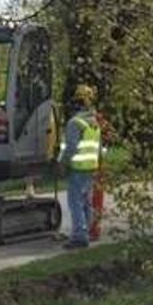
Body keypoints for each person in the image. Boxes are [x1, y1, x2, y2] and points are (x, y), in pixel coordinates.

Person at [58, 84, 101, 249]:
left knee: (75, 202)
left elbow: (71, 147)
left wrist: (62, 163)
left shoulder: (75, 123)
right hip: (91, 168)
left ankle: (79, 236)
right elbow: (97, 149)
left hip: (77, 168)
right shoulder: (94, 123)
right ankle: (87, 231)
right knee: (85, 202)